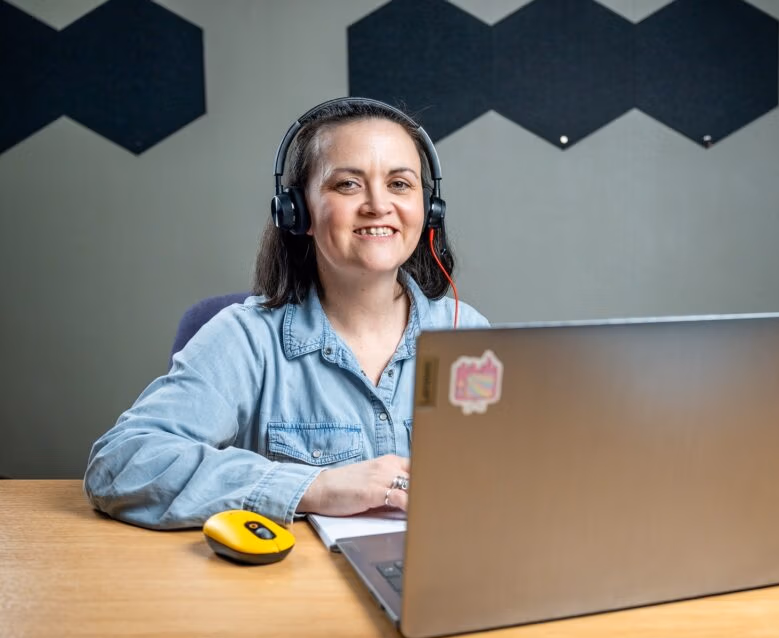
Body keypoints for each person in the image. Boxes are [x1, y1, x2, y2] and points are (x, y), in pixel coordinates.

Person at [84, 97, 488, 530]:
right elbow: (121, 463)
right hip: (292, 590)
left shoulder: (467, 334)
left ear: (429, 210)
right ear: (298, 212)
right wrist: (317, 486)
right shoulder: (245, 339)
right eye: (348, 185)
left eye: (400, 184)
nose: (377, 204)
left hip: (435, 580)